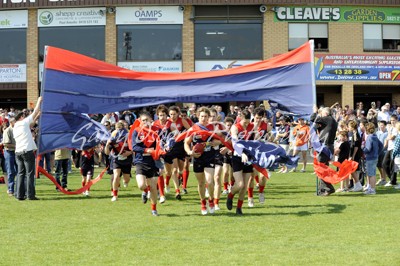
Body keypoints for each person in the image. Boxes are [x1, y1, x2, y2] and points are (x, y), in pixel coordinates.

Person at [184, 107, 221, 215]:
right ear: (198, 116)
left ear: (209, 117)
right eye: (202, 116)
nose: (204, 118)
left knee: (210, 181)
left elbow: (222, 139)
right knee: (201, 183)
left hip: (209, 156)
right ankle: (203, 202)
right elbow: (186, 143)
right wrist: (189, 152)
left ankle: (211, 200)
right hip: (197, 157)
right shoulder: (193, 129)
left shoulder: (213, 128)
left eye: (205, 116)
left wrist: (217, 143)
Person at [131, 112, 161, 216]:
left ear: (151, 120)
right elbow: (134, 147)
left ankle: (154, 209)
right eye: (143, 120)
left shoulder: (156, 131)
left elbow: (160, 147)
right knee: (141, 185)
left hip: (153, 162)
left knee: (153, 187)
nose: (144, 122)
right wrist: (146, 150)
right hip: (140, 161)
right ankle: (144, 191)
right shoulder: (136, 131)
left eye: (146, 120)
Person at [14, 97, 42, 200]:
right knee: (30, 174)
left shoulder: (16, 126)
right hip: (27, 151)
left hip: (18, 152)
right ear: (21, 117)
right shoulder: (23, 122)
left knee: (20, 174)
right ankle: (30, 195)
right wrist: (39, 101)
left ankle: (19, 195)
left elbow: (29, 126)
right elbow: (34, 111)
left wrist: (37, 117)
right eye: (24, 115)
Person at [226, 110, 254, 215]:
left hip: (249, 158)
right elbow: (235, 142)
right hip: (238, 157)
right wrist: (241, 153)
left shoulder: (252, 126)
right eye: (244, 122)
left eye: (248, 122)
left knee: (245, 185)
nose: (246, 124)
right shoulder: (235, 127)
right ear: (240, 119)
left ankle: (239, 208)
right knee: (240, 184)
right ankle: (230, 195)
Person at [310, 106, 338, 196]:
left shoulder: (328, 119)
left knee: (321, 169)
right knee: (323, 168)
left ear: (325, 113)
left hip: (324, 147)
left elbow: (313, 119)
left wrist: (315, 112)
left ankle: (328, 188)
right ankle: (322, 190)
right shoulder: (331, 121)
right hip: (327, 146)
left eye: (322, 113)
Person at [105, 121, 133, 202]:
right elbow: (107, 153)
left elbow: (134, 148)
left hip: (127, 159)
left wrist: (129, 152)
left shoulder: (128, 136)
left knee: (126, 179)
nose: (119, 131)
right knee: (116, 175)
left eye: (121, 128)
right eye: (117, 128)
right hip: (116, 159)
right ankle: (115, 195)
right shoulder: (113, 137)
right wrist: (107, 145)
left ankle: (124, 182)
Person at [362, 123, 383, 195]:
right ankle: (371, 188)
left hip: (370, 157)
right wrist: (377, 153)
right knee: (372, 173)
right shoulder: (375, 136)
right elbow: (381, 145)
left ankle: (372, 189)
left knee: (371, 174)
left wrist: (362, 150)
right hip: (375, 157)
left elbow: (368, 148)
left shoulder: (369, 137)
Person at [2, 117, 17, 196]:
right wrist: (17, 146)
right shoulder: (7, 130)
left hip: (16, 152)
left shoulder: (17, 130)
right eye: (15, 121)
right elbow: (5, 144)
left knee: (18, 171)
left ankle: (18, 189)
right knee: (11, 171)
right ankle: (11, 189)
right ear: (11, 123)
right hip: (9, 152)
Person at [382, 115, 398, 187]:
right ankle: (392, 179)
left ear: (396, 120)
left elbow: (391, 137)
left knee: (392, 165)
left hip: (394, 148)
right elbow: (387, 138)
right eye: (391, 120)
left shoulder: (396, 129)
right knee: (384, 164)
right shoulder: (391, 128)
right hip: (389, 148)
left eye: (393, 120)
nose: (392, 122)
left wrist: (388, 131)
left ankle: (393, 181)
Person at [376, 120, 388, 186]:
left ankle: (384, 179)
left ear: (385, 126)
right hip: (377, 152)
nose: (381, 126)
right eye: (380, 125)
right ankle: (381, 178)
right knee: (378, 165)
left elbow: (385, 144)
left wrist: (381, 149)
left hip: (384, 151)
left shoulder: (387, 133)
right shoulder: (377, 133)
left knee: (383, 165)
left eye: (382, 125)